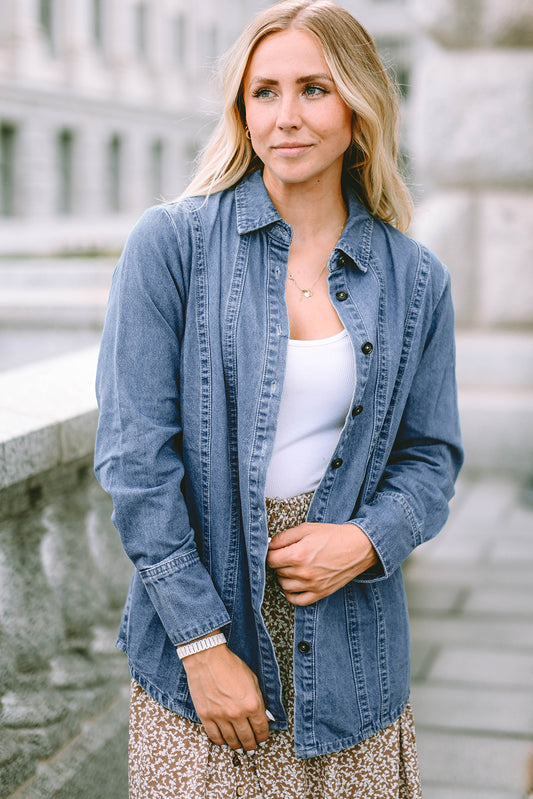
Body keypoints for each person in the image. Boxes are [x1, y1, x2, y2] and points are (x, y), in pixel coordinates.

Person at [94, 1, 463, 796]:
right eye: (264, 92)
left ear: (359, 108)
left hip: (356, 651)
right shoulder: (172, 247)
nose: (285, 117)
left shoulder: (416, 278)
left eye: (312, 90)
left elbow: (430, 458)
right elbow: (134, 459)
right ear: (240, 109)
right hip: (203, 630)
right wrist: (200, 643)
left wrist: (365, 540)